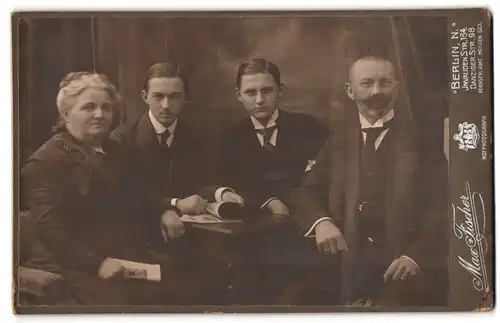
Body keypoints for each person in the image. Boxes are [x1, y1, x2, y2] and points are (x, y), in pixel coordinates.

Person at [21, 72, 205, 305]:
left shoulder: (115, 150)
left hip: (122, 255)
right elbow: (50, 230)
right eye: (89, 108)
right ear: (66, 114)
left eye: (106, 108)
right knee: (128, 301)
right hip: (71, 263)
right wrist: (96, 263)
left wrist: (165, 209)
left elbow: (140, 193)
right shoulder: (45, 162)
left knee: (188, 286)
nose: (100, 114)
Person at [289, 56, 448, 306]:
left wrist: (415, 256)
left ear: (397, 87)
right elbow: (305, 193)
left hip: (404, 270)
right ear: (350, 91)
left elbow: (445, 208)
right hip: (346, 271)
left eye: (385, 83)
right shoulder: (339, 140)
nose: (376, 91)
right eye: (367, 83)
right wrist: (321, 223)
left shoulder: (422, 141)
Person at [216, 58, 331, 304]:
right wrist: (267, 200)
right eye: (251, 92)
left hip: (303, 234)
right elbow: (228, 182)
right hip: (253, 238)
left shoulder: (309, 128)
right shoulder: (228, 138)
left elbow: (322, 180)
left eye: (266, 91)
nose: (259, 100)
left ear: (280, 90)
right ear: (239, 95)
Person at [110, 62, 244, 244]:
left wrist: (221, 193)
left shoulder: (197, 137)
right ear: (145, 97)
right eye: (158, 96)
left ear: (184, 98)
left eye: (174, 97)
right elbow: (127, 195)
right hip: (139, 234)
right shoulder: (121, 139)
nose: (166, 105)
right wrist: (172, 205)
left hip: (190, 235)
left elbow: (199, 182)